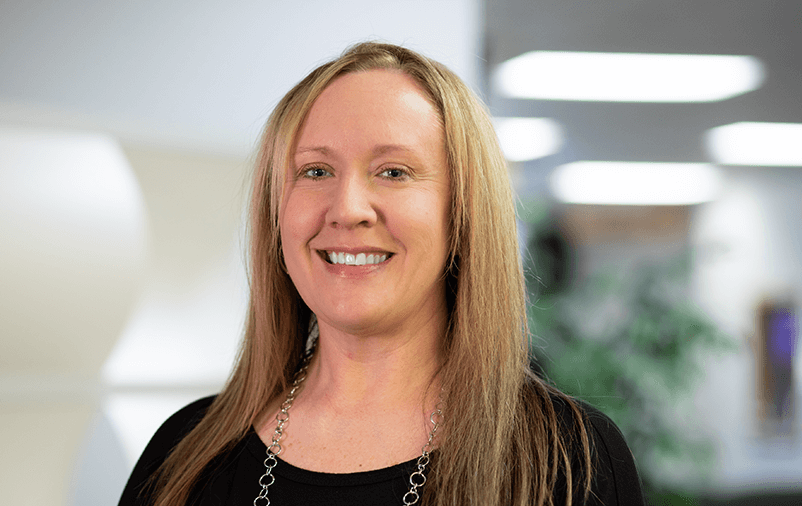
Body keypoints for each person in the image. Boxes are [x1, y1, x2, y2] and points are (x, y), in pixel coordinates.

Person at [119, 41, 644, 506]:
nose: (347, 209)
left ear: (462, 213)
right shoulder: (184, 453)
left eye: (393, 172)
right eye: (315, 171)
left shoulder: (570, 463)